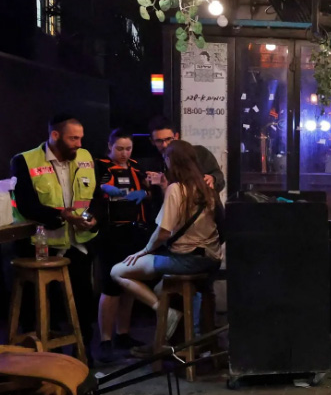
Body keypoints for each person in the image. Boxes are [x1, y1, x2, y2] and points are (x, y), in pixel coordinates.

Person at [111, 140, 223, 356]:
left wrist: (144, 251)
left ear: (171, 161)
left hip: (186, 260)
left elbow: (164, 232)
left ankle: (169, 319)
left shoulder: (176, 188)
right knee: (160, 289)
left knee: (117, 271)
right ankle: (182, 340)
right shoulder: (207, 187)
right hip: (210, 258)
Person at [10, 114, 99, 358]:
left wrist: (93, 218)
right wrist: (62, 215)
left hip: (77, 242)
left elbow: (94, 196)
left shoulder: (85, 157)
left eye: (80, 138)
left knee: (82, 302)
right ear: (55, 136)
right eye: (73, 138)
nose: (79, 143)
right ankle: (40, 358)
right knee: (41, 307)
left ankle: (83, 354)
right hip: (41, 244)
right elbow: (26, 205)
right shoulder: (25, 161)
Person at [92, 128, 150, 363]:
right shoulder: (100, 167)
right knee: (110, 285)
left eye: (128, 148)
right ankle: (105, 339)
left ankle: (122, 334)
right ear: (110, 146)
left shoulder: (136, 167)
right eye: (119, 148)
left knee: (129, 284)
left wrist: (145, 192)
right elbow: (91, 189)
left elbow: (151, 189)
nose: (124, 153)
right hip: (110, 232)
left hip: (134, 231)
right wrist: (103, 189)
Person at [145, 116, 225, 195]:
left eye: (168, 139)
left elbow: (220, 178)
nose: (165, 145)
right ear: (152, 141)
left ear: (176, 136)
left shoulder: (199, 153)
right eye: (159, 141)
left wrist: (213, 179)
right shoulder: (154, 165)